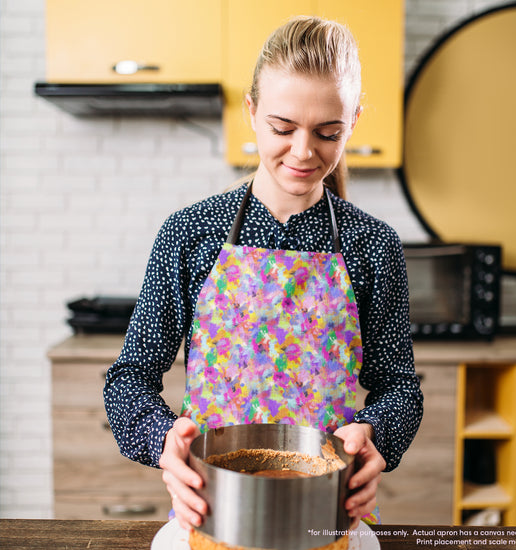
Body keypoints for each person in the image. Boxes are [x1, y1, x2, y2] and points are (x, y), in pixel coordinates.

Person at [104, 15, 423, 532]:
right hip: (213, 513)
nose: (303, 151)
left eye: (328, 132)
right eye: (282, 128)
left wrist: (378, 438)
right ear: (251, 113)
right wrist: (165, 442)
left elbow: (399, 388)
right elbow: (129, 381)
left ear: (354, 122)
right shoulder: (190, 233)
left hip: (327, 516)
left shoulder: (373, 246)